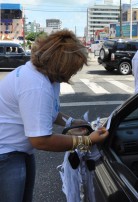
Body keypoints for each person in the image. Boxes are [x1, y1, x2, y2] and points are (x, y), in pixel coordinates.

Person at [0, 29, 109, 202]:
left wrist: (72, 122)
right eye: (73, 68)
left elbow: (46, 111)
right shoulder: (36, 86)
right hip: (5, 153)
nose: (74, 72)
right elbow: (41, 140)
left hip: (18, 150)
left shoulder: (47, 77)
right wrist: (88, 140)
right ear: (62, 65)